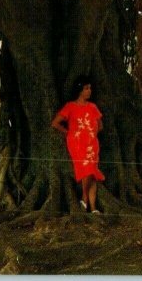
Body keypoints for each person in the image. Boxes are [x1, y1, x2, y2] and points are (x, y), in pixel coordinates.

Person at [51, 75, 105, 213]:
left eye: (90, 88)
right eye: (86, 88)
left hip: (92, 144)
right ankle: (84, 197)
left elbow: (100, 126)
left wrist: (91, 134)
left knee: (92, 173)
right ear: (80, 90)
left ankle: (92, 207)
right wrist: (69, 132)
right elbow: (55, 123)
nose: (89, 91)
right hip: (77, 144)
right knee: (86, 170)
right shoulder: (70, 106)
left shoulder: (93, 107)